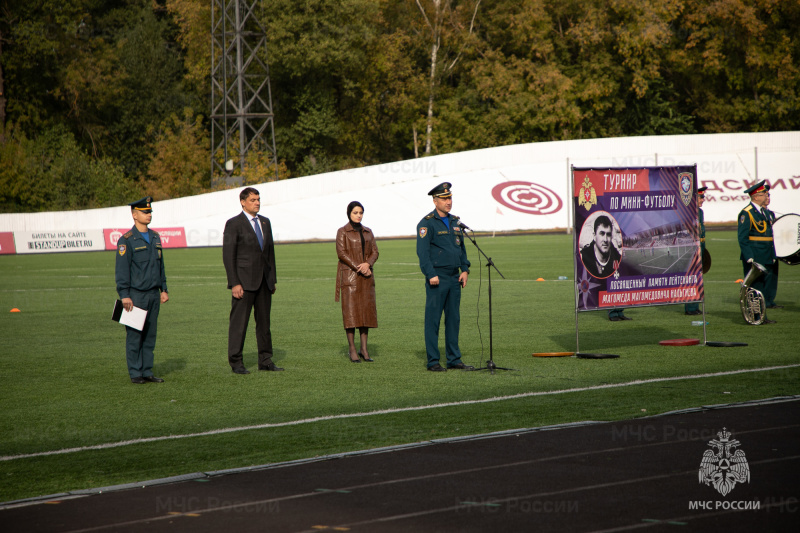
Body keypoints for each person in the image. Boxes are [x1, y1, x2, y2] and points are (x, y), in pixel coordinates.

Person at [223, 187, 282, 373]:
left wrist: (272, 280)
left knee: (264, 324)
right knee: (239, 325)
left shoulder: (265, 222)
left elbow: (270, 253)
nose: (257, 202)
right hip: (244, 283)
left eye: (258, 199)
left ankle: (265, 360)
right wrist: (234, 283)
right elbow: (228, 256)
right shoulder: (234, 224)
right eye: (253, 200)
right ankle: (236, 362)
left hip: (264, 282)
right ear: (243, 202)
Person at [416, 182, 473, 372]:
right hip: (437, 279)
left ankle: (454, 359)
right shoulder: (426, 223)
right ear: (435, 201)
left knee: (453, 320)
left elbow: (461, 248)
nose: (448, 202)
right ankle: (433, 361)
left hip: (454, 278)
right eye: (444, 198)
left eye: (450, 198)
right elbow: (422, 253)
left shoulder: (456, 222)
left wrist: (464, 269)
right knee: (433, 321)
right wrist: (430, 274)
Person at [115, 196, 169, 384]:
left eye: (150, 212)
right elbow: (122, 271)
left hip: (154, 294)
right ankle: (135, 373)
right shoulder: (126, 240)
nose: (149, 215)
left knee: (150, 335)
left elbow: (160, 266)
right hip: (136, 296)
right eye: (145, 212)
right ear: (134, 214)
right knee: (134, 336)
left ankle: (147, 371)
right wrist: (124, 295)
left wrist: (164, 288)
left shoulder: (155, 237)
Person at [335, 201, 379, 363]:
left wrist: (368, 264)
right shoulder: (342, 232)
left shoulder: (368, 232)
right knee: (351, 314)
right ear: (349, 214)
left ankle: (364, 349)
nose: (358, 215)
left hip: (366, 278)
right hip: (350, 278)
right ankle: (352, 349)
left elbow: (375, 251)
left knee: (365, 313)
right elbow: (341, 253)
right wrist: (359, 267)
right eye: (355, 212)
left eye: (361, 212)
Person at [737, 180, 777, 324]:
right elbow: (742, 237)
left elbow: (769, 236)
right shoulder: (747, 213)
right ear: (755, 196)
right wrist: (749, 257)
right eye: (763, 194)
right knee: (755, 288)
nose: (766, 196)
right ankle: (756, 317)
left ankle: (761, 316)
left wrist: (772, 255)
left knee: (763, 288)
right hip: (755, 257)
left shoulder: (764, 212)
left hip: (766, 255)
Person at [685, 186, 707, 315]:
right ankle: (690, 308)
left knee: (698, 278)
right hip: (692, 249)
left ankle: (695, 305)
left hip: (701, 248)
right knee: (691, 279)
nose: (703, 199)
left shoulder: (700, 212)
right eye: (700, 197)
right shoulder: (688, 212)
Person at [580, 215, 622, 279]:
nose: (605, 239)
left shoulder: (617, 258)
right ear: (594, 236)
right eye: (602, 234)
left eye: (608, 234)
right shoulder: (584, 258)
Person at [763, 192, 782, 309]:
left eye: (769, 196)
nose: (767, 198)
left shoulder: (770, 214)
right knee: (765, 275)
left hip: (772, 249)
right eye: (765, 195)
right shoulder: (756, 213)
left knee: (773, 275)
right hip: (763, 249)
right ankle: (765, 300)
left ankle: (770, 299)